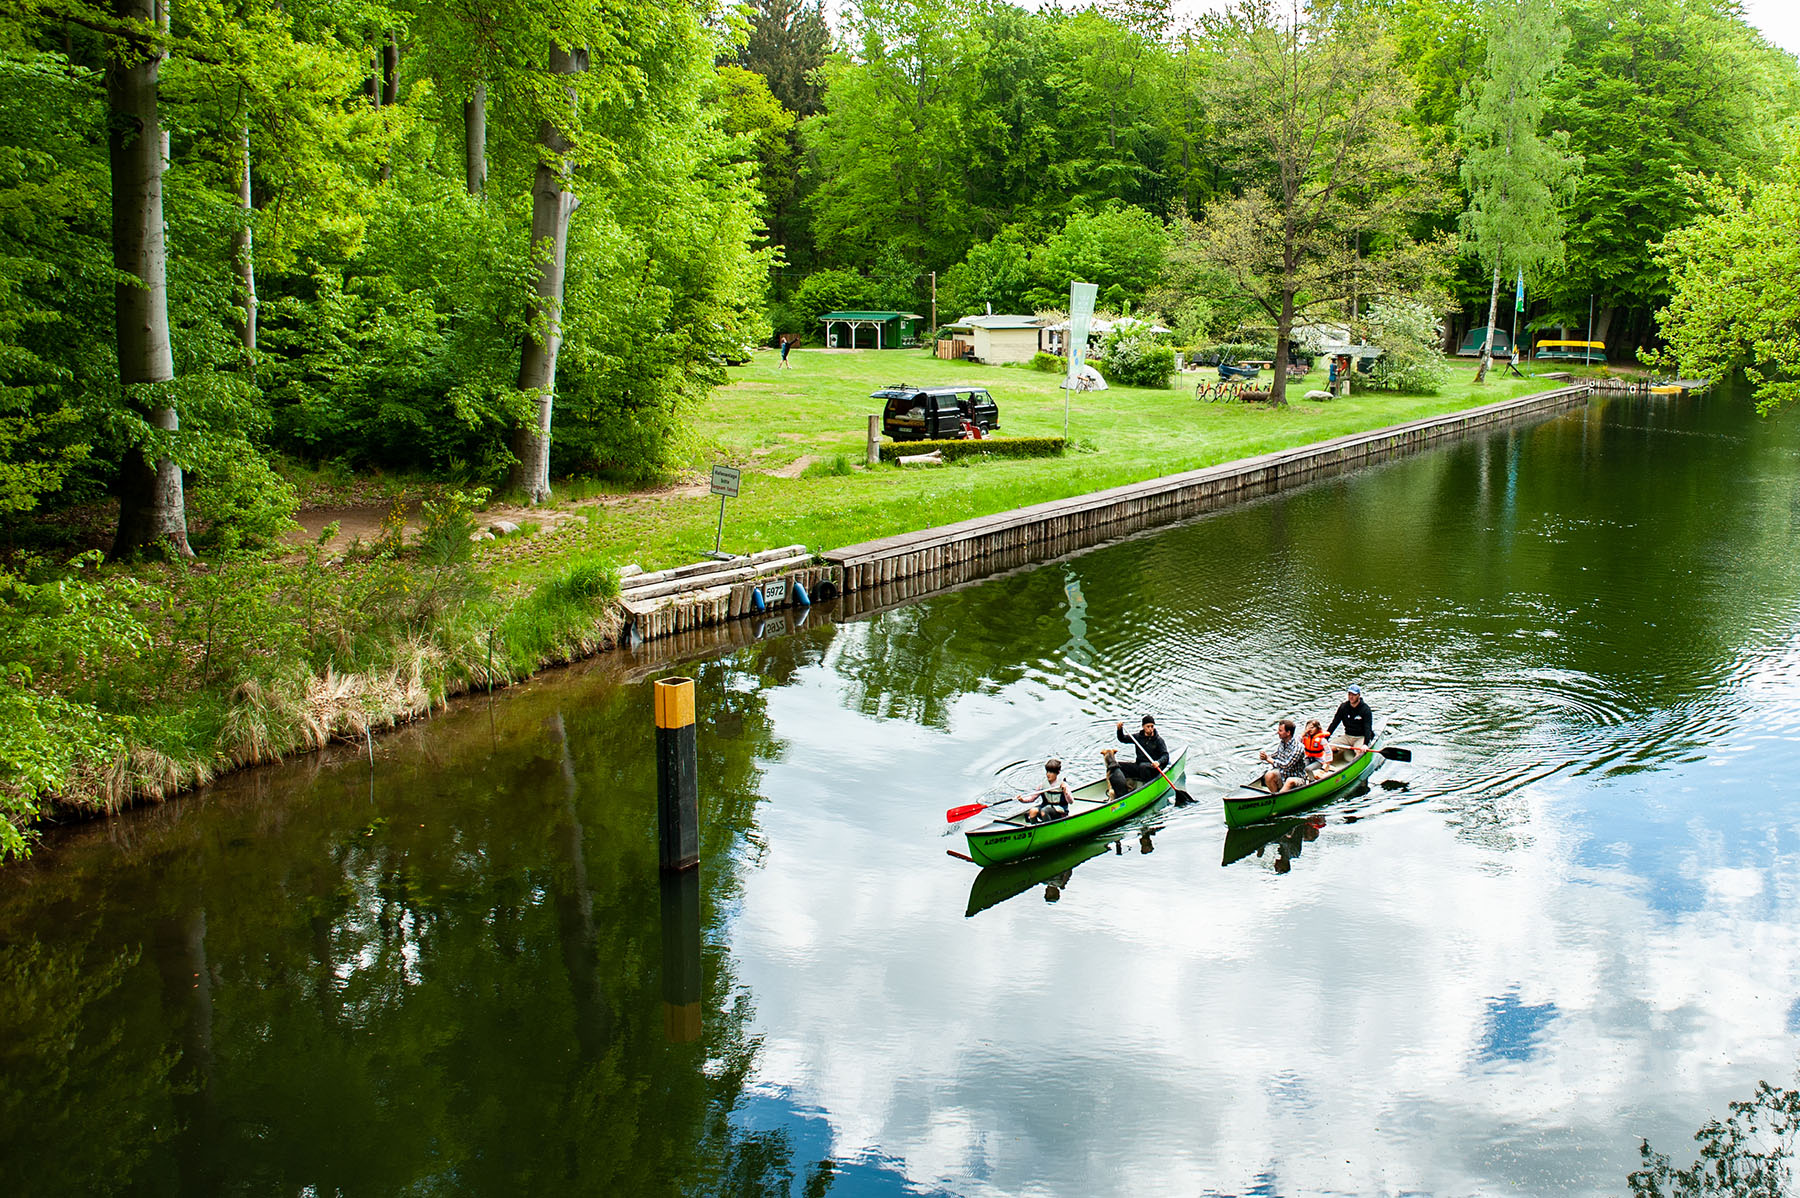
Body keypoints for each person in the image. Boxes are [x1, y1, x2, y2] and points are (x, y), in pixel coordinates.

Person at [1113, 716, 1170, 786]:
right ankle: (1126, 784)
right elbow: (1122, 739)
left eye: (1152, 726)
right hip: (1140, 766)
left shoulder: (1158, 740)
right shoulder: (1138, 737)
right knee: (1117, 765)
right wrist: (1119, 729)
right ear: (1143, 727)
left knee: (1143, 767)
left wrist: (1158, 762)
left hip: (1153, 768)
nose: (1150, 729)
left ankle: (1147, 785)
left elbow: (1165, 755)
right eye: (1148, 726)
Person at [1326, 684, 1375, 764]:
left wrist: (1365, 744)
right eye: (1349, 694)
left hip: (1360, 737)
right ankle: (1325, 766)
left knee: (1360, 752)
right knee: (1328, 748)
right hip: (1347, 736)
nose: (1351, 697)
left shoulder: (1365, 709)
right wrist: (1325, 738)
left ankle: (1350, 766)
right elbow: (1334, 723)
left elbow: (1367, 728)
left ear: (1359, 695)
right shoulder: (1343, 707)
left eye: (1354, 695)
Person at [1258, 719, 1309, 793]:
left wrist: (1268, 759)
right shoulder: (1282, 743)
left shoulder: (1298, 747)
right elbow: (1277, 754)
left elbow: (1286, 765)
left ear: (1288, 733)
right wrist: (1266, 756)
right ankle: (1274, 794)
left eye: (1280, 730)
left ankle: (1279, 798)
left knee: (1290, 781)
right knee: (1268, 775)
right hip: (1283, 775)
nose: (1278, 732)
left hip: (1298, 779)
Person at [1019, 758, 1074, 824]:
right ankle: (1036, 827)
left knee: (1044, 811)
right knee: (1032, 811)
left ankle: (1048, 828)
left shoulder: (1063, 785)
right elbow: (1032, 798)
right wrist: (1022, 800)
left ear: (1057, 773)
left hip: (1060, 811)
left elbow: (1070, 802)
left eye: (1051, 772)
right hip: (1046, 808)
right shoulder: (1043, 785)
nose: (1048, 774)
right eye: (1047, 772)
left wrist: (1065, 791)